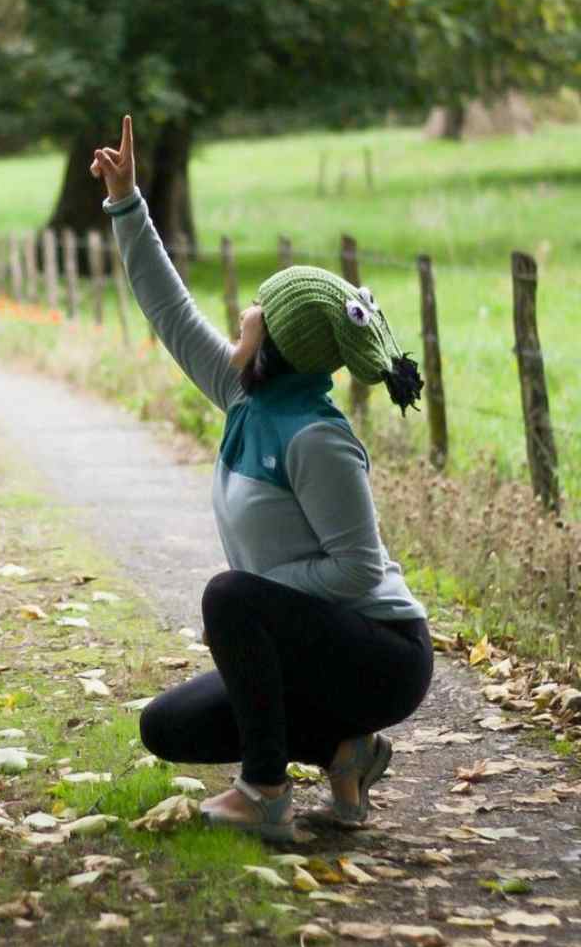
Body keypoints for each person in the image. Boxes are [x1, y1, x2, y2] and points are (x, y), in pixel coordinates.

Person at [91, 116, 433, 842]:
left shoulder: (316, 438)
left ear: (274, 345)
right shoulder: (246, 395)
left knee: (230, 595)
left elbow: (357, 570)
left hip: (383, 654)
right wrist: (127, 202)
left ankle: (266, 791)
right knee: (167, 726)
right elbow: (168, 310)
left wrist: (262, 603)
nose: (239, 317)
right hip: (311, 640)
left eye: (253, 315)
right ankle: (347, 751)